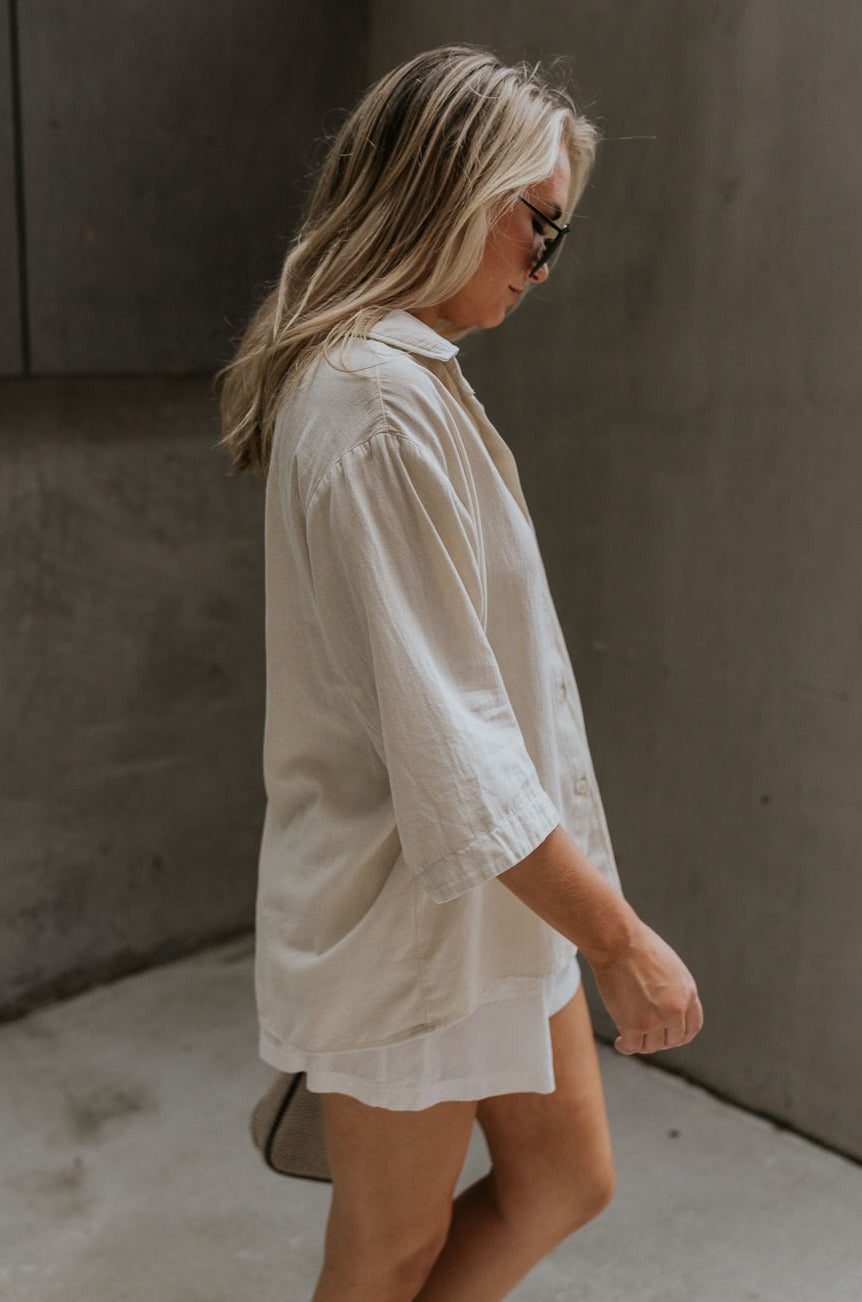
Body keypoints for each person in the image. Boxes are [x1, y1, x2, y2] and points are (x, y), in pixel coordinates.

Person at [216, 43, 703, 1302]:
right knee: (386, 1253)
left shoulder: (409, 388)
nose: (543, 268)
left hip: (490, 905)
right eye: (538, 228)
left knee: (563, 1180)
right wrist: (621, 941)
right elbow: (454, 750)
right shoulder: (372, 407)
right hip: (408, 924)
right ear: (448, 189)